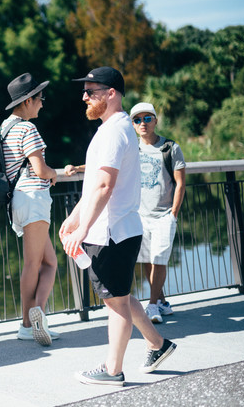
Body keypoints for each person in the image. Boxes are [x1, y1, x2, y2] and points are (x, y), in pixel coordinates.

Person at [60, 67, 176, 386]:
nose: (84, 96)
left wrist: (82, 230)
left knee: (116, 304)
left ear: (111, 93)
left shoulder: (114, 131)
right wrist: (73, 219)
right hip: (118, 229)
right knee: (119, 297)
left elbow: (104, 187)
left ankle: (113, 371)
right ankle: (157, 344)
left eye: (91, 91)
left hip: (110, 233)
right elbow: (96, 184)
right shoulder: (115, 127)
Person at [1, 73, 60, 346]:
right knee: (33, 264)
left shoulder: (5, 128)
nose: (42, 104)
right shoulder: (27, 129)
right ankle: (29, 321)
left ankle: (36, 315)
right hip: (34, 198)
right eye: (40, 98)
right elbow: (39, 169)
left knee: (50, 262)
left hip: (19, 201)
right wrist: (54, 172)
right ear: (27, 101)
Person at [130, 102, 186, 323]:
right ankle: (161, 301)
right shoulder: (131, 148)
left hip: (164, 215)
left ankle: (152, 305)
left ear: (155, 120)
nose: (142, 123)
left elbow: (180, 184)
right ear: (133, 125)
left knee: (159, 259)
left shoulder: (170, 147)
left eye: (146, 118)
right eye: (137, 120)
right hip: (140, 215)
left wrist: (173, 214)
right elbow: (106, 165)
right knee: (147, 259)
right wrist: (76, 168)